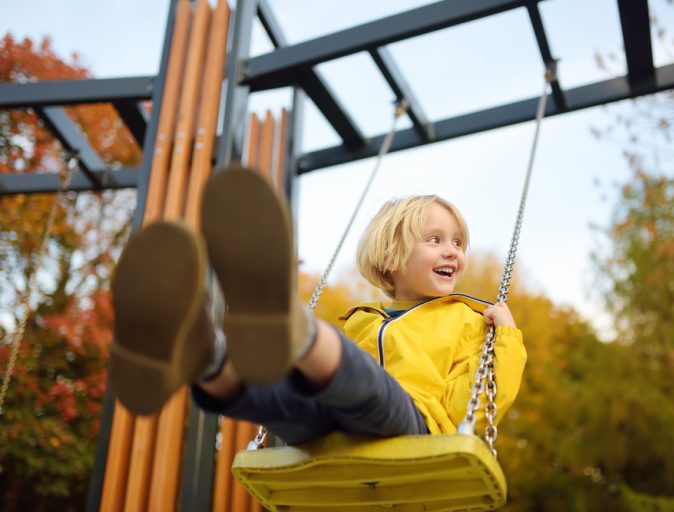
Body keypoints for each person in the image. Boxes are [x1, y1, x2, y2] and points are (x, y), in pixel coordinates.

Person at [109, 164, 527, 444]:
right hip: (336, 433)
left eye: (458, 242)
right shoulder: (363, 321)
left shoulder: (469, 321)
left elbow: (476, 401)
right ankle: (205, 357)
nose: (453, 251)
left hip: (413, 427)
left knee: (367, 385)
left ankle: (292, 324)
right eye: (435, 240)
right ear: (391, 255)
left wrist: (504, 336)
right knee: (287, 401)